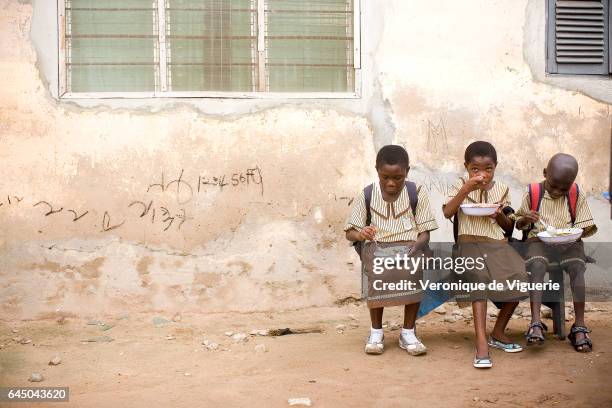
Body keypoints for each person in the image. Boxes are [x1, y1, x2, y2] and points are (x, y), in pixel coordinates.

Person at [344, 145, 438, 355]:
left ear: (407, 171)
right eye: (385, 176)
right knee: (377, 274)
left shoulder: (416, 192)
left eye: (398, 177)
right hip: (377, 248)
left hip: (409, 247)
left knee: (413, 271)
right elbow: (350, 232)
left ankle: (408, 332)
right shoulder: (367, 194)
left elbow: (425, 231)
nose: (391, 183)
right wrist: (361, 234)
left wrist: (418, 245)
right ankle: (376, 332)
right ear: (377, 170)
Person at [443, 141, 528, 368]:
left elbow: (508, 227)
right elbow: (447, 212)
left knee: (522, 274)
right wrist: (465, 190)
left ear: (495, 167)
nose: (482, 175)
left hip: (496, 244)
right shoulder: (459, 185)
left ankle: (498, 331)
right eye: (475, 169)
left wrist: (498, 215)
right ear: (466, 168)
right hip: (467, 243)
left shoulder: (502, 190)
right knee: (478, 277)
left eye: (488, 169)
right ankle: (481, 341)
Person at [515, 153, 597, 352]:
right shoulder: (533, 192)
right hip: (538, 240)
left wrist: (572, 235)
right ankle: (535, 323)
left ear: (572, 183)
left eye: (564, 188)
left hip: (570, 243)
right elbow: (518, 223)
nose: (558, 192)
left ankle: (579, 325)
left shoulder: (576, 193)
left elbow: (585, 226)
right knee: (537, 265)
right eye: (553, 186)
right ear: (545, 174)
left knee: (577, 266)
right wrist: (527, 218)